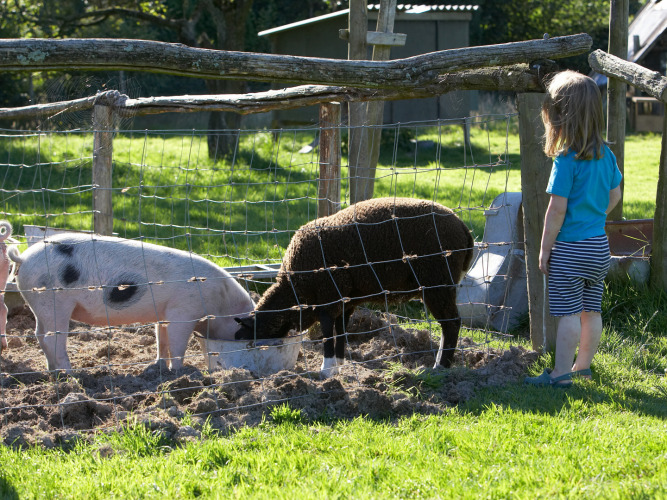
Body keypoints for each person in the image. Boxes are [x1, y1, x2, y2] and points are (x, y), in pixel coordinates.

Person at [525, 70, 622, 388]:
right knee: (591, 312)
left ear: (560, 116)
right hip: (598, 247)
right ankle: (583, 367)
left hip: (569, 248)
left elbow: (556, 210)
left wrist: (544, 248)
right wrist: (594, 216)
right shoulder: (606, 155)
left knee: (567, 314)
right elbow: (615, 195)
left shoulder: (566, 160)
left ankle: (560, 374)